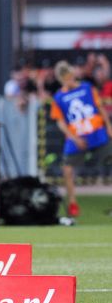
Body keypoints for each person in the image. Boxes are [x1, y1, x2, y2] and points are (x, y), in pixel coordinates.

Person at [50, 61, 112, 217]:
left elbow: (100, 107)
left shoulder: (87, 88)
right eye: (64, 79)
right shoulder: (59, 97)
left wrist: (109, 126)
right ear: (60, 80)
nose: (68, 81)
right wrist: (74, 138)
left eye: (69, 77)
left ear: (73, 75)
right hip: (76, 137)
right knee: (67, 169)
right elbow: (60, 122)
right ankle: (72, 203)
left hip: (96, 133)